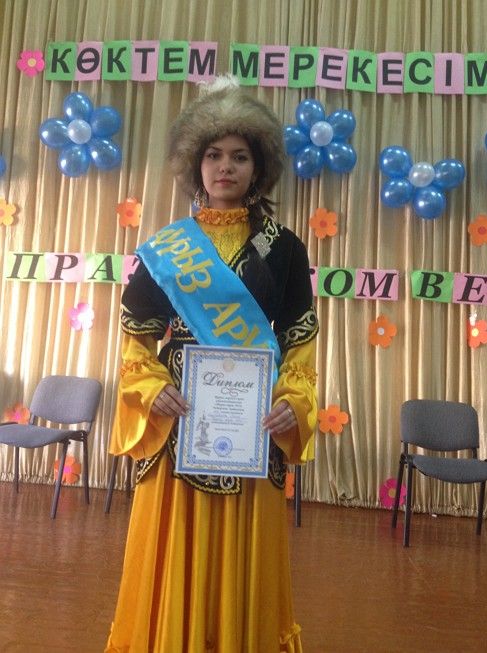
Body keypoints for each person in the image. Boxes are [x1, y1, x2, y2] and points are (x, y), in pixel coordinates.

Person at [105, 75, 319, 653]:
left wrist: (292, 401)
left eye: (240, 156)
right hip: (181, 422)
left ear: (258, 167)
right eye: (214, 155)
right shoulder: (167, 247)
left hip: (254, 427)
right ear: (195, 164)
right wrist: (150, 386)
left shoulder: (284, 247)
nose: (226, 167)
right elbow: (135, 336)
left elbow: (299, 341)